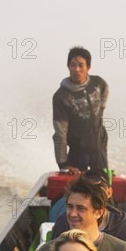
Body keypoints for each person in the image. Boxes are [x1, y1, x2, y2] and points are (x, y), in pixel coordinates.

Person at [51, 169, 126, 251]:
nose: (73, 214)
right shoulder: (64, 221)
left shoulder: (125, 226)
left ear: (108, 193)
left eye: (97, 190)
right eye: (86, 188)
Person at [52, 46, 109, 174]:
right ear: (68, 67)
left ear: (88, 67)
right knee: (76, 192)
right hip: (77, 154)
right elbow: (60, 134)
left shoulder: (98, 83)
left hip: (99, 149)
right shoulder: (60, 97)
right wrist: (63, 165)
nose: (76, 69)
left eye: (81, 65)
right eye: (72, 65)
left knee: (102, 188)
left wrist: (100, 109)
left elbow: (105, 89)